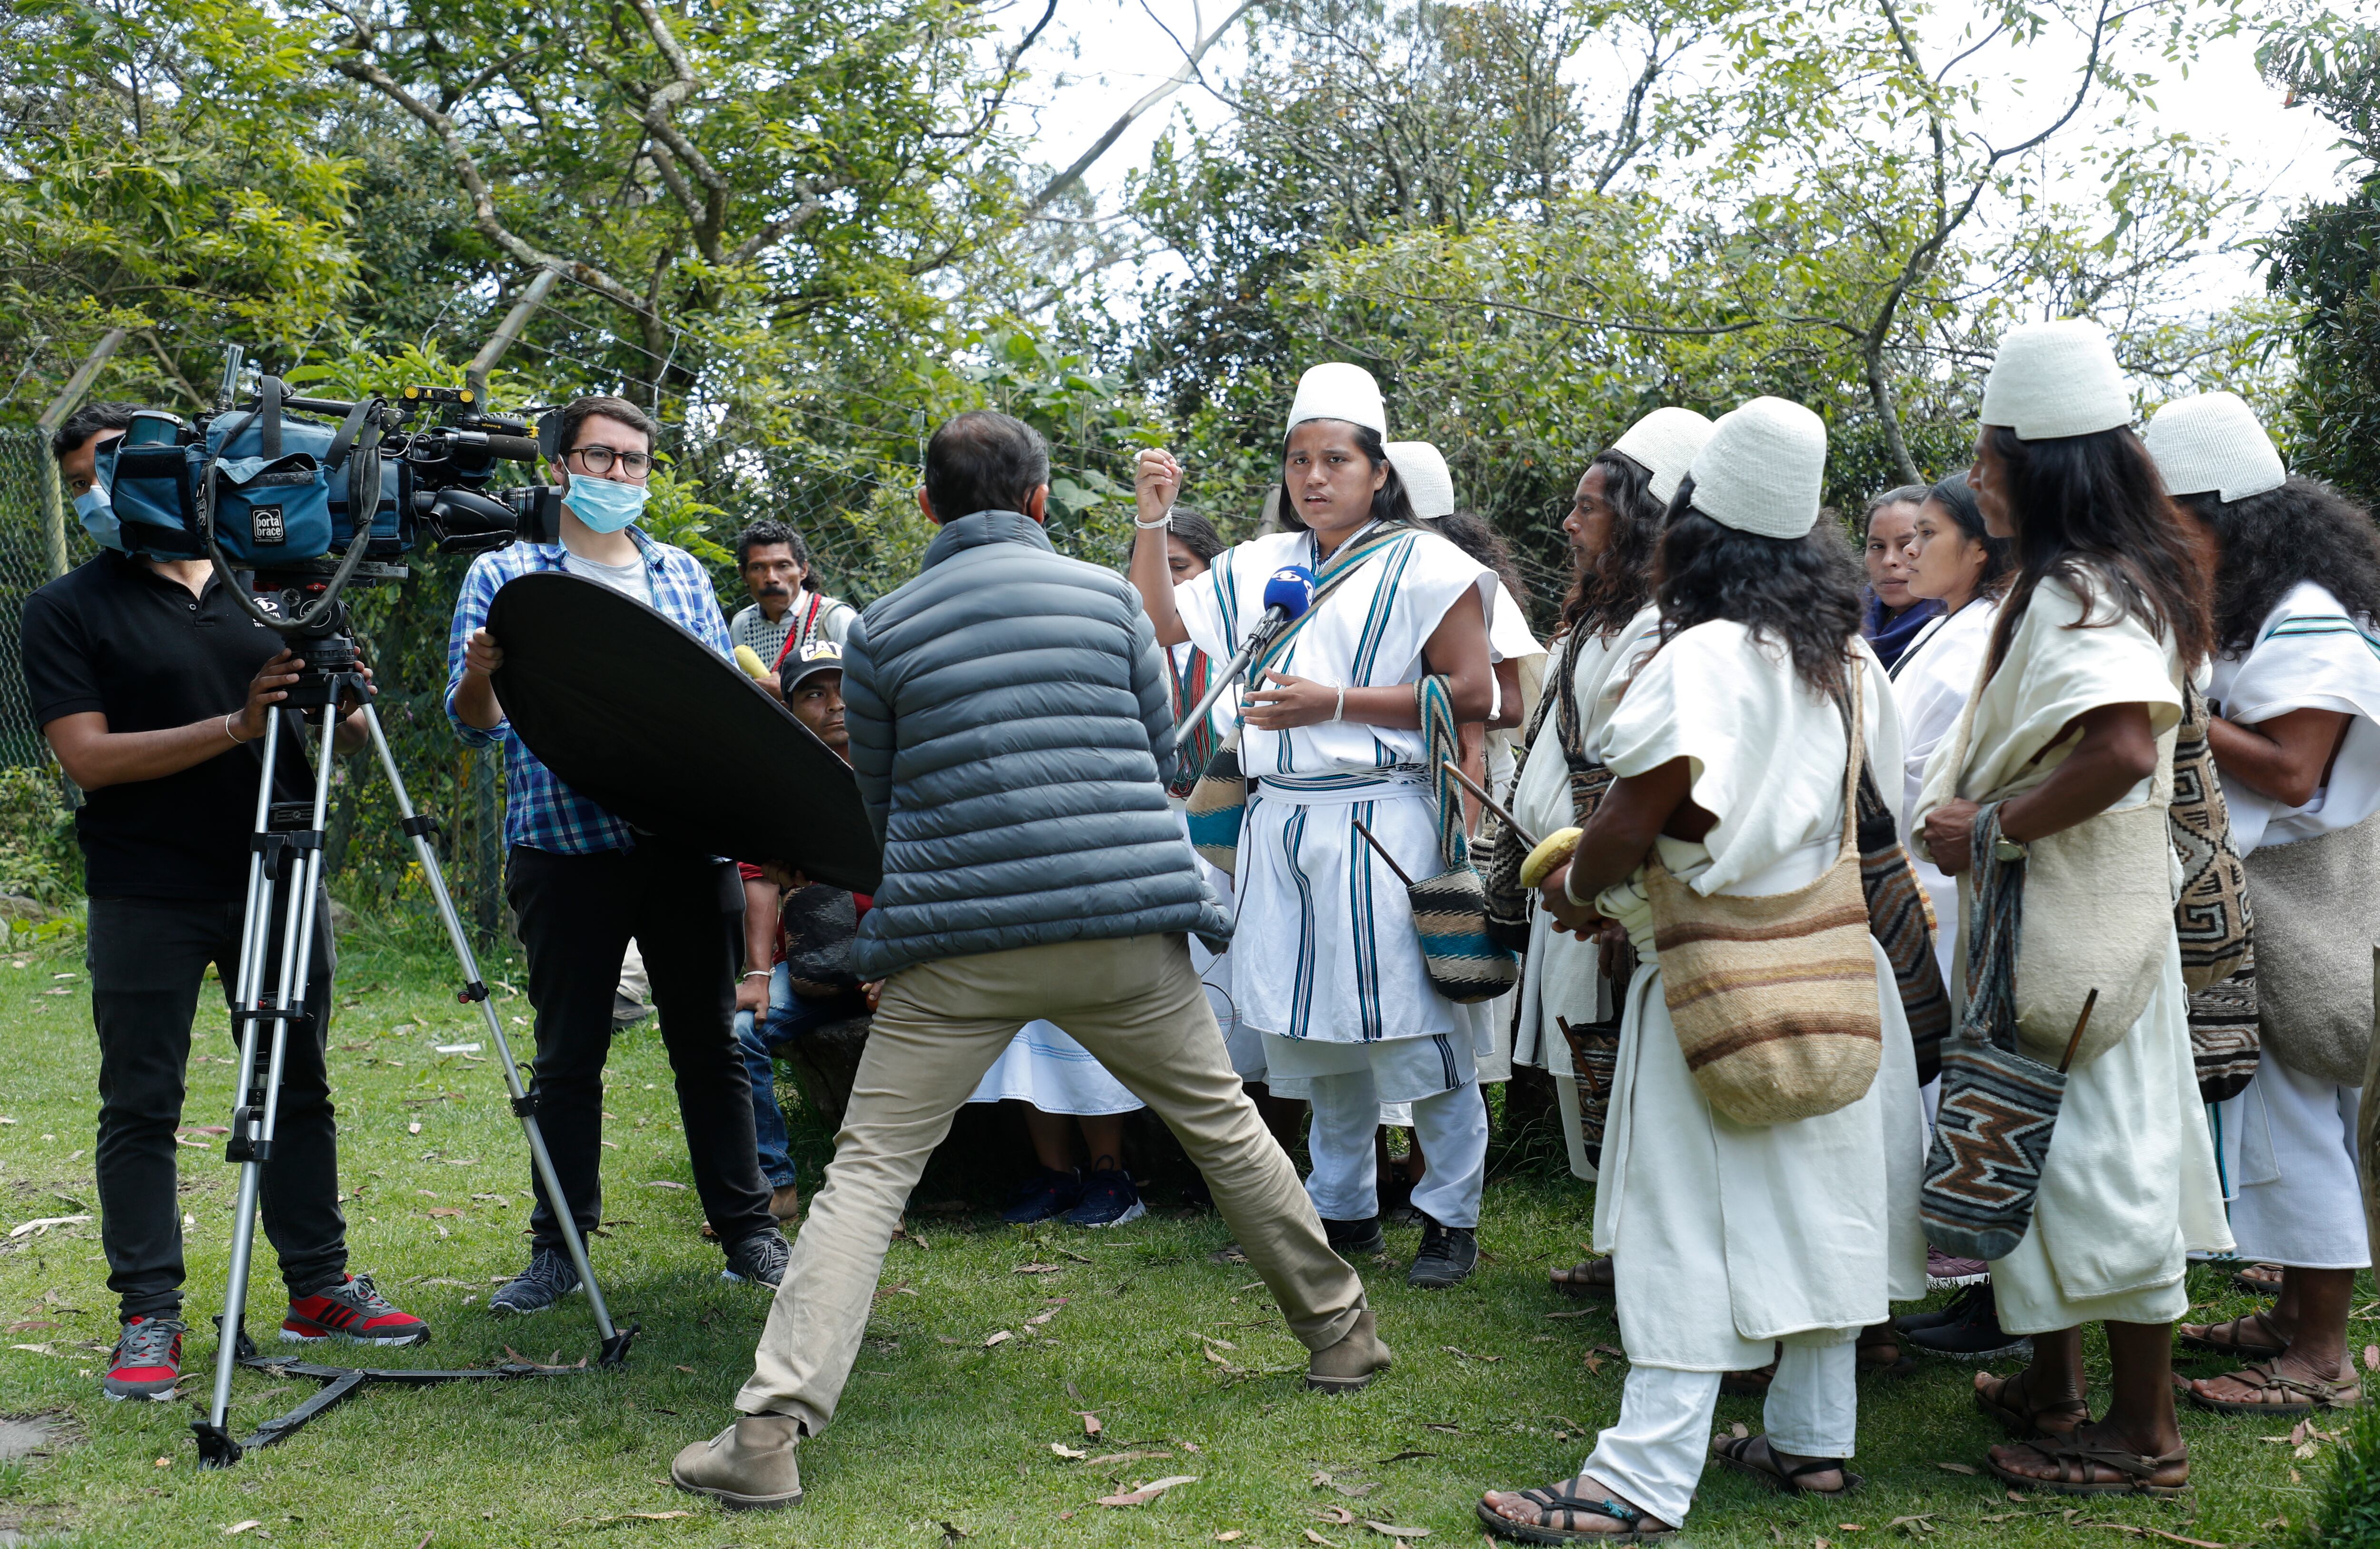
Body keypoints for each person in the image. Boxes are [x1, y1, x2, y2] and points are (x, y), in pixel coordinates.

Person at [670, 409, 1385, 1513]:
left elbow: (878, 802)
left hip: (956, 948)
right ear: (1042, 503)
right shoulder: (1109, 600)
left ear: (927, 508)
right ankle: (1340, 1336)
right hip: (1122, 929)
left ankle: (769, 1431)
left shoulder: (885, 631)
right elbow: (1164, 759)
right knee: (1224, 1133)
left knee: (866, 1176)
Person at [1479, 396, 1924, 1540]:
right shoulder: (1844, 659)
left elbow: (1631, 824)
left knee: (1682, 1218)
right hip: (1833, 971)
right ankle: (1812, 1438)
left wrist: (1584, 892)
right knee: (1825, 1206)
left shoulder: (1703, 660)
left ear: (1695, 537)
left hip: (1716, 979)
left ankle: (1638, 1478)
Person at [26, 402, 427, 1401]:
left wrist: (349, 699)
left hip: (282, 867)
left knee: (295, 1081)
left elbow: (362, 744)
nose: (101, 490)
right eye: (82, 478)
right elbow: (86, 758)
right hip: (146, 884)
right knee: (142, 1100)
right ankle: (148, 1312)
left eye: (115, 463)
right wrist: (235, 724)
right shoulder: (67, 607)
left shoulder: (282, 579)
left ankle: (318, 1286)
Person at [1913, 319, 2230, 1493]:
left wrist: (1986, 826)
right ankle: (2056, 1389)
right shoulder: (2080, 582)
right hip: (2047, 926)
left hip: (2079, 936)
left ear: (2038, 468)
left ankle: (2144, 1436)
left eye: (1990, 462)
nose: (1980, 480)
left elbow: (2118, 755)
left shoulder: (2090, 592)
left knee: (2104, 1163)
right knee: (2041, 1148)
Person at [1130, 365, 1500, 1290]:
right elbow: (1164, 621)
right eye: (1299, 459)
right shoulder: (1261, 564)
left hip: (1386, 822)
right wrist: (1150, 519)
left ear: (1377, 472)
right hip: (1284, 829)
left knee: (1421, 1032)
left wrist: (1333, 700)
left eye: (1335, 458)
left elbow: (1473, 691)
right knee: (1319, 1031)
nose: (1314, 476)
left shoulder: (1429, 563)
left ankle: (1450, 1216)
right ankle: (1343, 1209)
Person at [447, 394, 788, 1312]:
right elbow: (473, 728)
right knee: (567, 1057)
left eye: (635, 461)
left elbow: (718, 712)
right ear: (560, 466)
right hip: (563, 848)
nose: (620, 476)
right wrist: (483, 672)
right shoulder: (507, 576)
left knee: (710, 1046)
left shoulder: (680, 574)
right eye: (601, 459)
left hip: (690, 847)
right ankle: (558, 1248)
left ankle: (749, 1233)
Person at [2146, 392, 2375, 1416]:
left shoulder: (2308, 620)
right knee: (2279, 1115)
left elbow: (2290, 771)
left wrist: (2172, 708)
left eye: (2176, 528)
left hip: (2303, 905)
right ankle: (2288, 1318)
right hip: (2271, 896)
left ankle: (2318, 1352)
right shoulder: (2263, 603)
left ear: (2232, 520)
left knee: (2295, 1118)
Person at [1511, 409, 1712, 1294]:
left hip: (1617, 880)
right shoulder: (1595, 617)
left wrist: (1610, 884)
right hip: (1574, 875)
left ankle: (1652, 1257)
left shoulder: (1665, 622)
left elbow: (1639, 768)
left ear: (1636, 519)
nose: (1570, 521)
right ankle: (1625, 1245)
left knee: (1628, 1062)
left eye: (1590, 507)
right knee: (1593, 1060)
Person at [1884, 474, 2023, 1356]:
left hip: (1937, 871)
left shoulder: (1984, 630)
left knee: (1952, 1067)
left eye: (1927, 535)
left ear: (1978, 547)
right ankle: (1976, 1281)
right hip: (1919, 867)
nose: (1907, 553)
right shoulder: (1948, 626)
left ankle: (1983, 1285)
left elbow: (1944, 762)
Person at [734, 640, 881, 1225]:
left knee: (900, 1039)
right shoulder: (778, 783)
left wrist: (899, 963)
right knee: (739, 1031)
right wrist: (757, 975)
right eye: (815, 694)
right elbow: (759, 882)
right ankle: (774, 1185)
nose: (836, 706)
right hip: (816, 967)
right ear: (791, 709)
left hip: (902, 960)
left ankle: (872, 1198)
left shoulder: (898, 770)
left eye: (847, 691)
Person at [726, 520, 856, 676]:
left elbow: (856, 687)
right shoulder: (742, 624)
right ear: (743, 575)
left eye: (783, 566)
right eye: (758, 568)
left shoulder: (835, 618)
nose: (771, 578)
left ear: (803, 570)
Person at [1860, 484, 1941, 671]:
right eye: (1878, 547)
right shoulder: (1843, 619)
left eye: (1907, 544)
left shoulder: (1960, 630)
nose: (1889, 561)